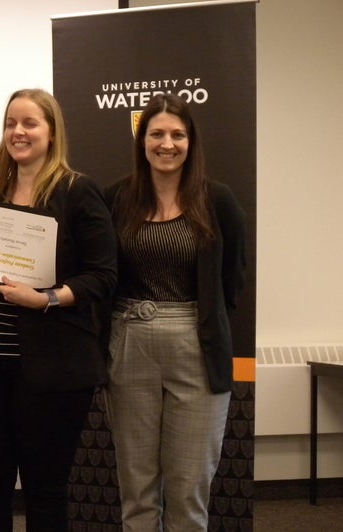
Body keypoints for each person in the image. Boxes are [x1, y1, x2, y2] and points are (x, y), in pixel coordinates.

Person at [0, 88, 117, 531]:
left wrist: (45, 298)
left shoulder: (77, 191)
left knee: (45, 491)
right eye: (10, 123)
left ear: (51, 132)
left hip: (54, 370)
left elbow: (103, 276)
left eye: (29, 123)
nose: (18, 132)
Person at [103, 92, 246, 531]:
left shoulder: (217, 200)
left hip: (196, 348)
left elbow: (233, 280)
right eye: (157, 133)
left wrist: (199, 323)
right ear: (141, 140)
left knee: (188, 489)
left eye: (178, 134)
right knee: (138, 490)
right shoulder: (116, 199)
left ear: (191, 142)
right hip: (129, 345)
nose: (167, 143)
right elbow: (102, 274)